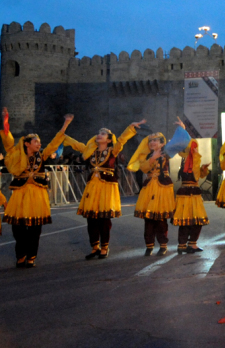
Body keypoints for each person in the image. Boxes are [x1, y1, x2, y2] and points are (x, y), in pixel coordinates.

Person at [0, 108, 74, 268]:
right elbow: (8, 143)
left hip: (37, 194)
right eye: (36, 142)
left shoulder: (43, 155)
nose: (39, 144)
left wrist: (65, 124)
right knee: (18, 227)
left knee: (35, 228)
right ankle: (20, 254)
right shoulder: (17, 155)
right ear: (27, 144)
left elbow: (55, 142)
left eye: (39, 142)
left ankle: (31, 256)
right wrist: (5, 123)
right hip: (20, 194)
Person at [63, 119, 145, 259]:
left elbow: (121, 140)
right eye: (98, 133)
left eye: (103, 134)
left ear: (108, 140)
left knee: (104, 218)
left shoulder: (113, 150)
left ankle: (105, 247)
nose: (99, 135)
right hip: (92, 186)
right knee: (91, 218)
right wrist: (62, 133)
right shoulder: (90, 151)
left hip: (107, 187)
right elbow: (76, 145)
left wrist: (130, 127)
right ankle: (95, 247)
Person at [128, 131, 176, 256]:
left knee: (160, 218)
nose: (152, 142)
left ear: (162, 143)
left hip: (162, 187)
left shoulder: (167, 153)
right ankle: (149, 245)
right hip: (149, 187)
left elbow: (179, 144)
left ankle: (163, 245)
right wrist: (152, 158)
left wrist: (182, 129)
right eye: (151, 141)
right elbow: (143, 168)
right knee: (148, 218)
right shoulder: (146, 155)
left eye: (155, 140)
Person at [172, 133, 211, 255]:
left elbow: (197, 175)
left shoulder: (192, 160)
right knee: (188, 220)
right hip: (187, 193)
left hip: (192, 192)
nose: (194, 150)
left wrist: (204, 170)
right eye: (193, 148)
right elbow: (194, 174)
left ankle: (188, 244)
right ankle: (185, 245)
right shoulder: (188, 160)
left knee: (194, 220)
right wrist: (196, 157)